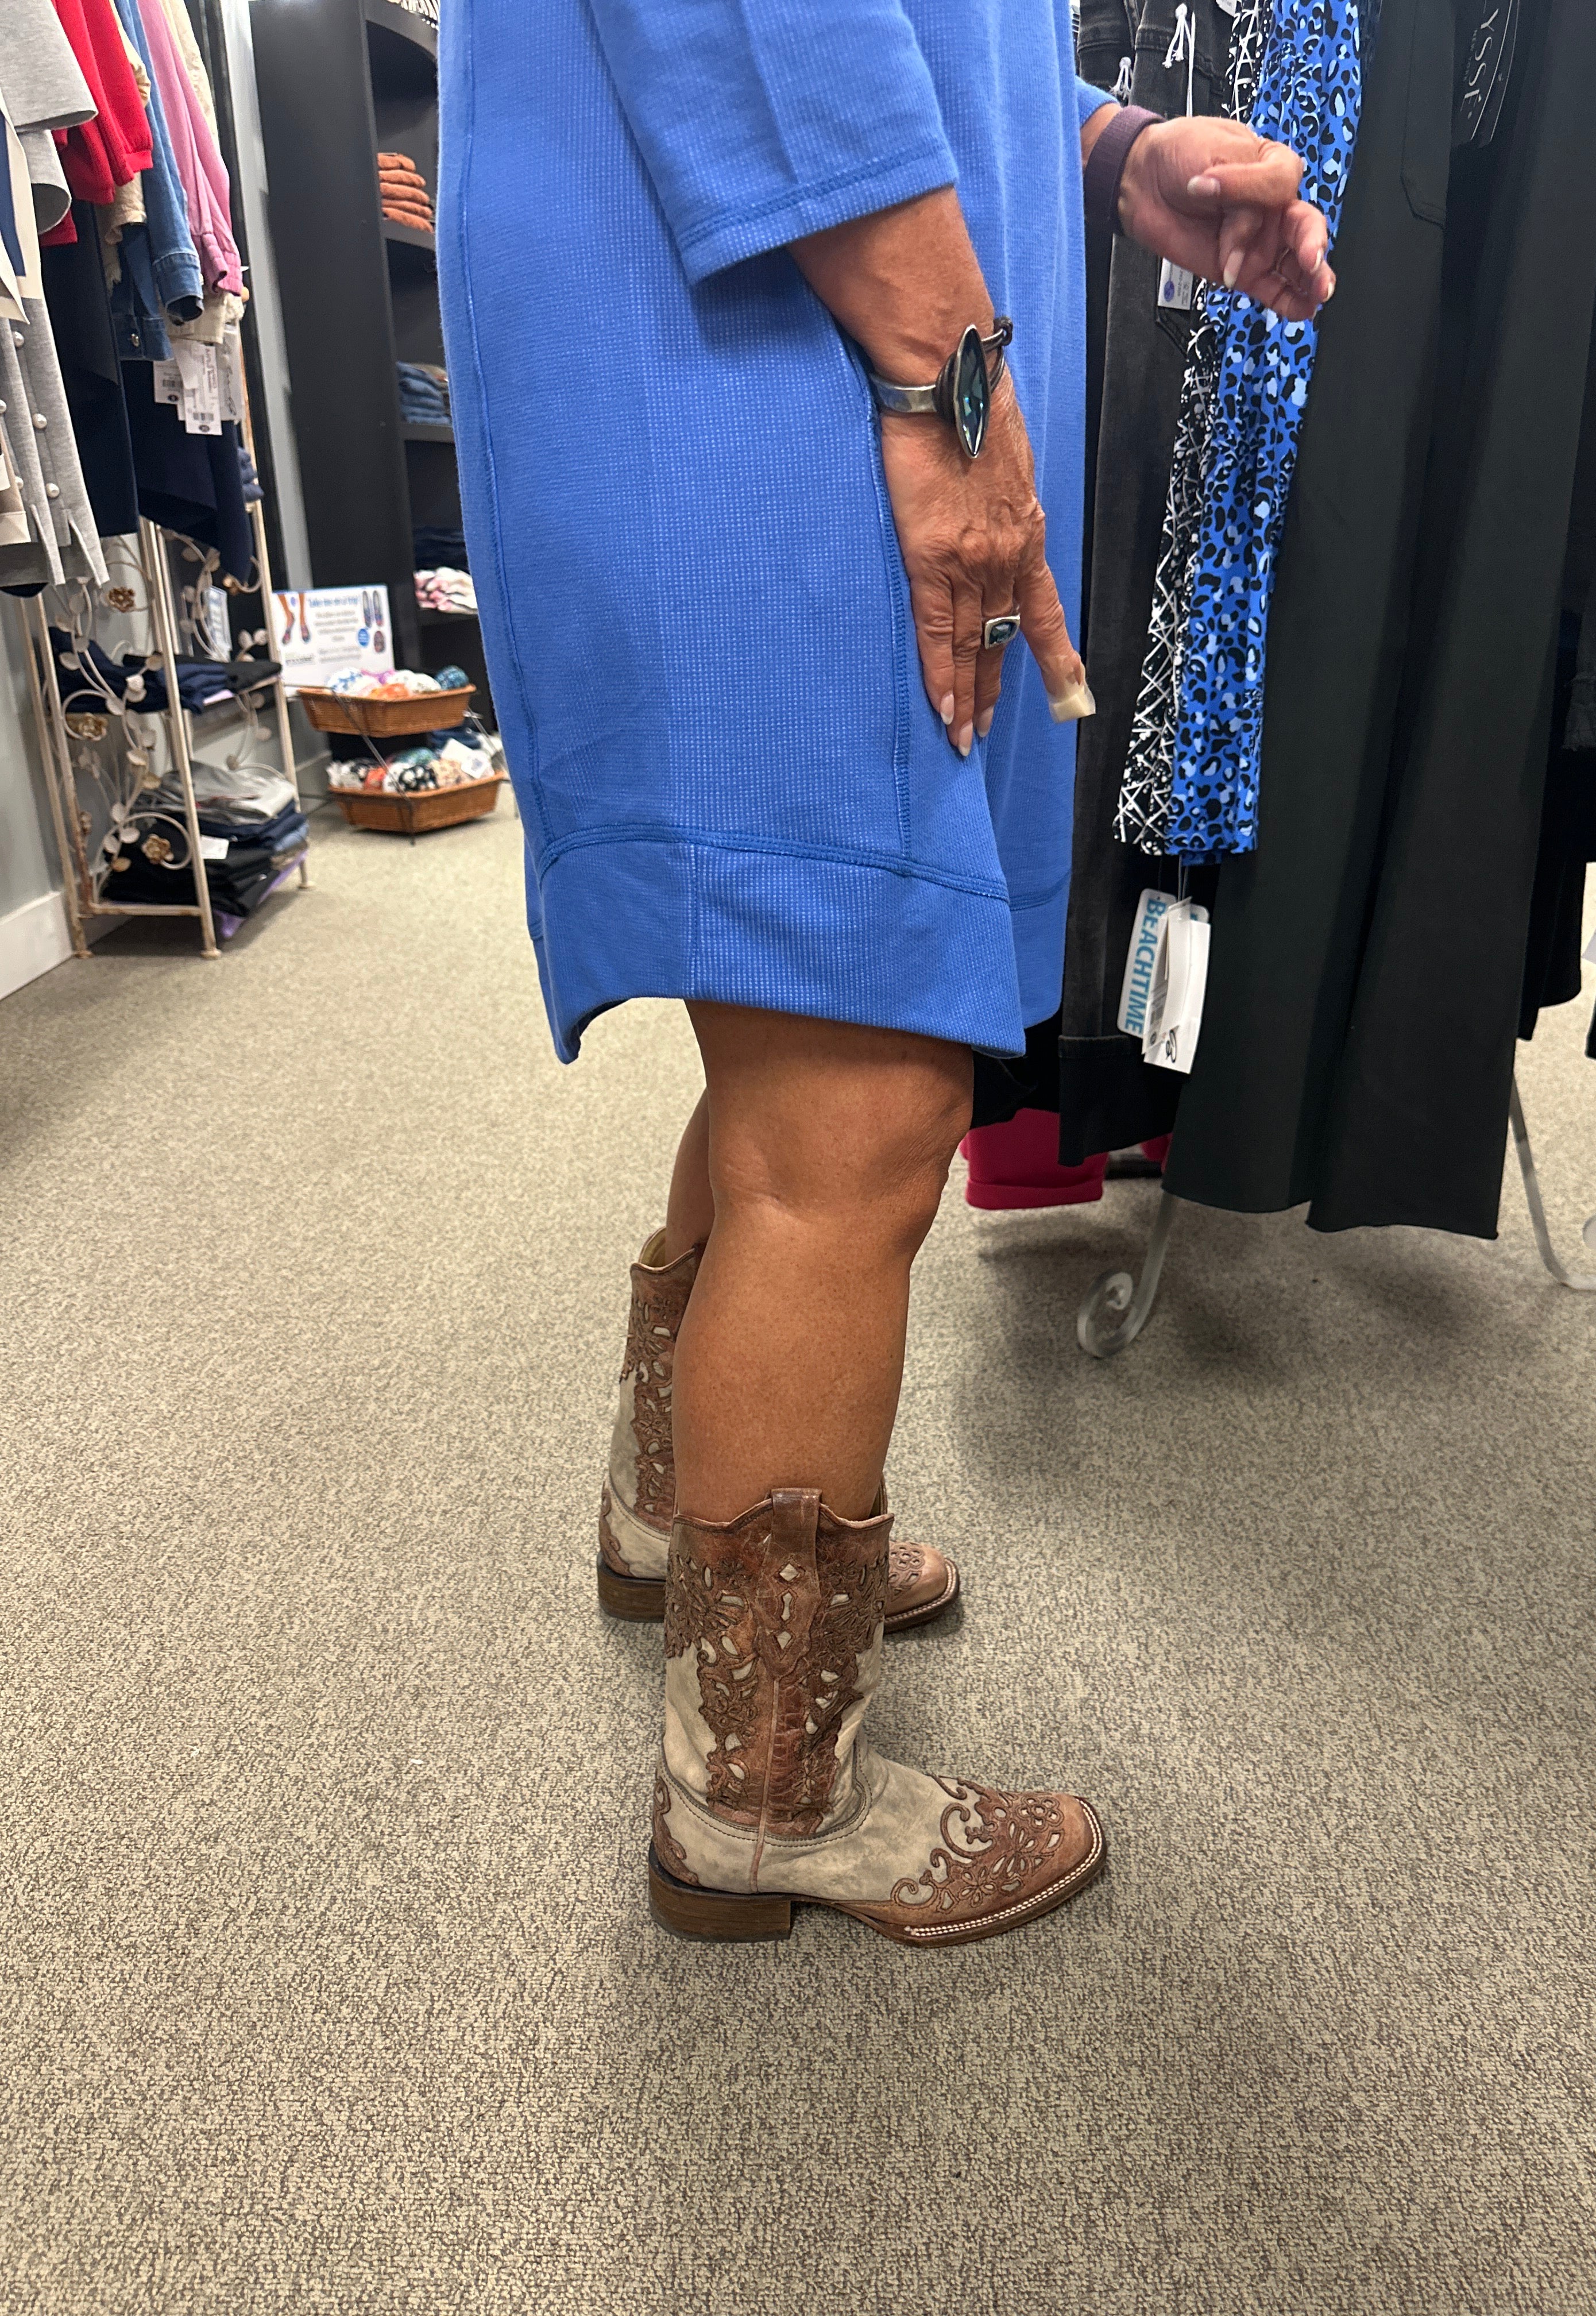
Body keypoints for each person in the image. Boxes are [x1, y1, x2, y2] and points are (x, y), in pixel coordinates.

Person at [437, 0, 1332, 1947]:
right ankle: (764, 1799)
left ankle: (684, 1517)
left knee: (799, 999)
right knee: (860, 1090)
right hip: (782, 363)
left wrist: (1104, 148)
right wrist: (948, 384)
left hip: (791, 336)